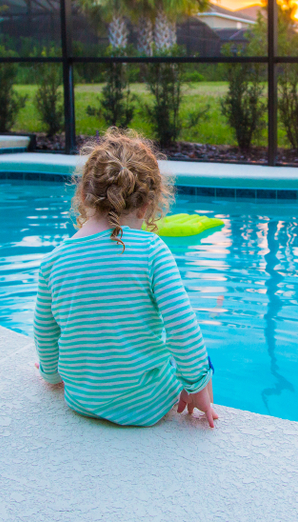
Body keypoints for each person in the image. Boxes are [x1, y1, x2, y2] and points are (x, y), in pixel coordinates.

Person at [33, 127, 217, 428]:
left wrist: (52, 376)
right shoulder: (152, 251)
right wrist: (197, 383)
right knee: (199, 365)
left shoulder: (53, 262)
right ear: (147, 206)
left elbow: (46, 333)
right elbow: (182, 327)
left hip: (82, 399)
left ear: (84, 195)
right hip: (148, 403)